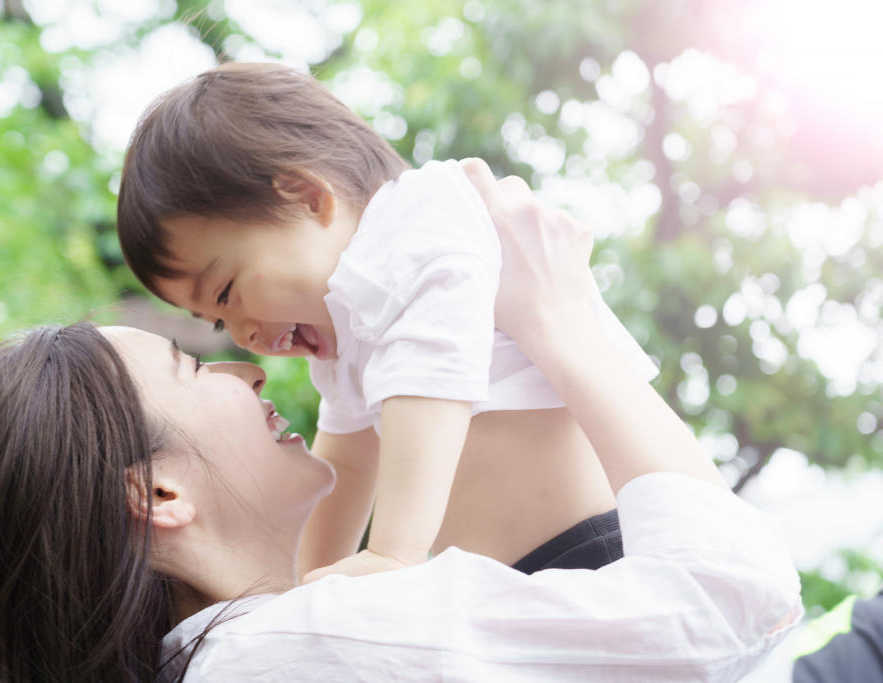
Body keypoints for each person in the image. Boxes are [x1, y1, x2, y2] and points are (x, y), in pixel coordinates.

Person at [0, 159, 801, 683]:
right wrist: (563, 325)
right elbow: (735, 601)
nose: (250, 361)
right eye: (195, 359)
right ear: (159, 491)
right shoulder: (284, 655)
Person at [116, 61, 657, 584]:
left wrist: (394, 551)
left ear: (309, 198)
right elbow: (347, 467)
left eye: (227, 293)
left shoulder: (419, 219)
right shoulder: (345, 322)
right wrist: (296, 587)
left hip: (598, 549)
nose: (242, 336)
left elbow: (432, 373)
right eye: (215, 322)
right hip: (511, 584)